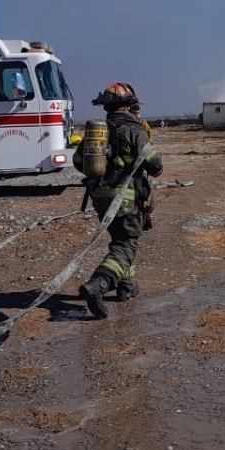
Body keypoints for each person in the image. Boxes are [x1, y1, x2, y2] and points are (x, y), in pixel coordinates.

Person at [75, 82, 164, 319]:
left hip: (100, 198)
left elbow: (77, 161)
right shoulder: (134, 129)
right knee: (126, 244)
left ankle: (127, 286)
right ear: (129, 104)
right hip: (126, 197)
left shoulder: (98, 131)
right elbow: (155, 167)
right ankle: (100, 283)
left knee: (119, 239)